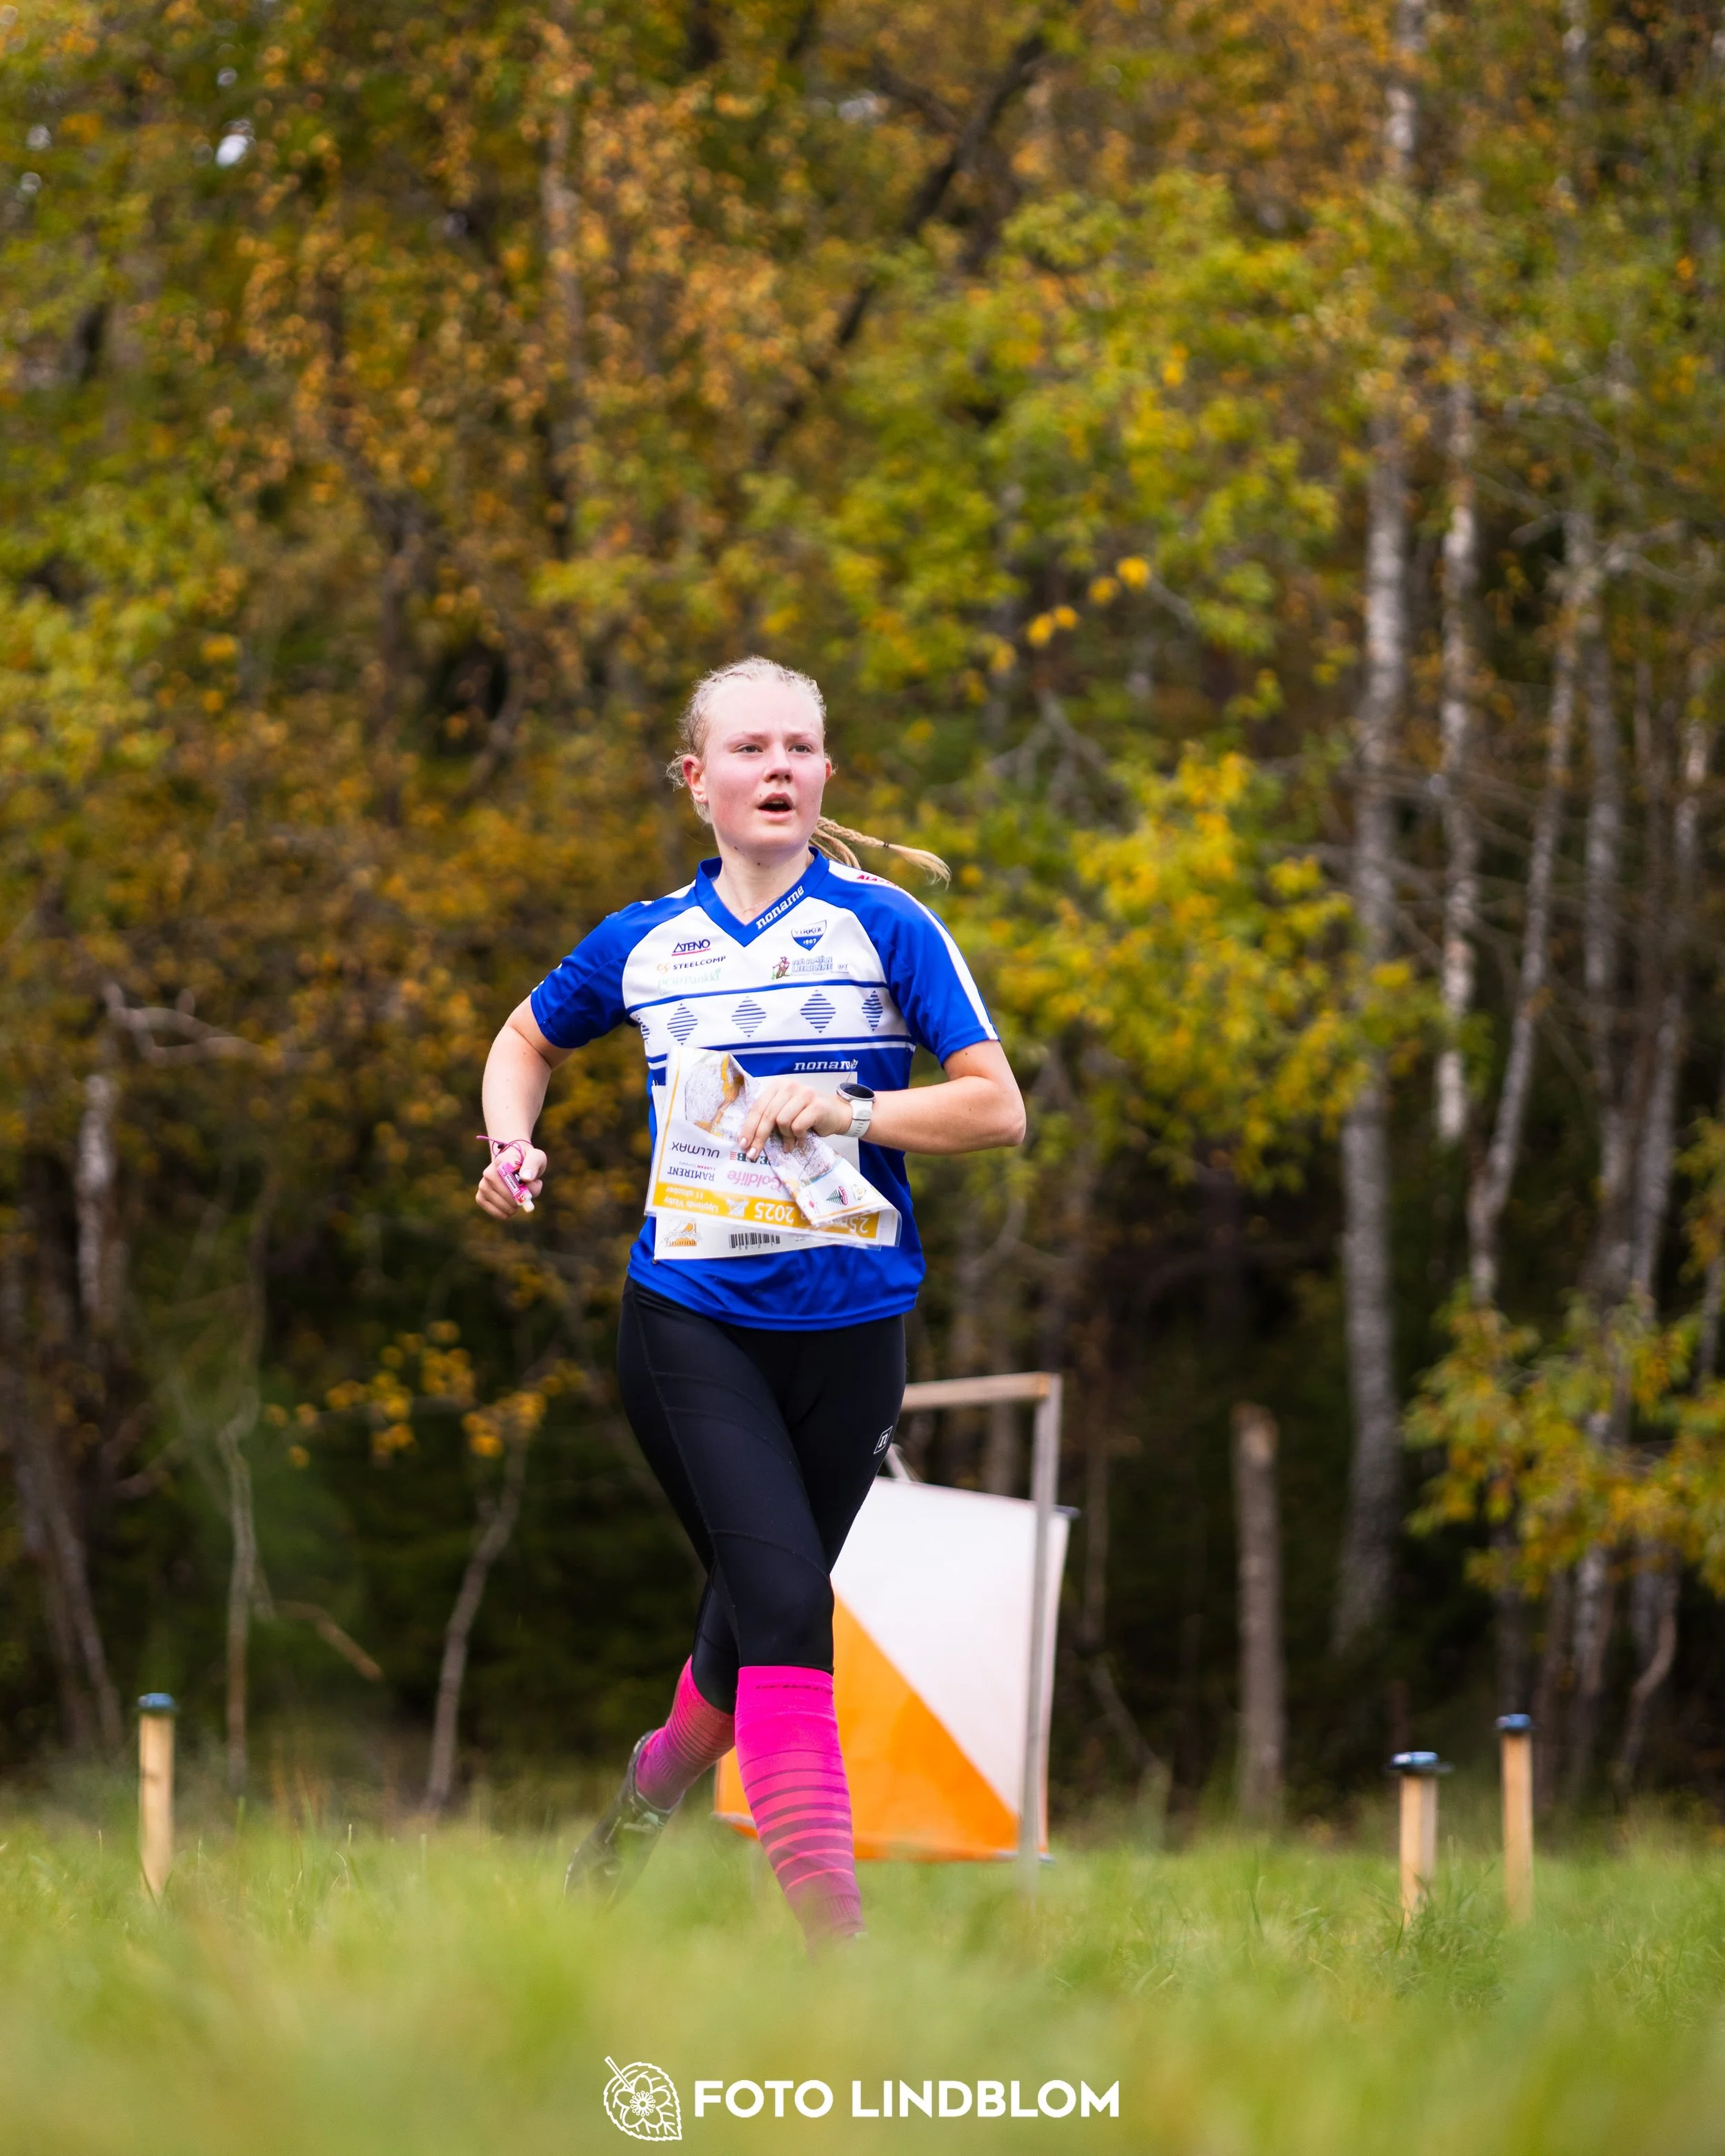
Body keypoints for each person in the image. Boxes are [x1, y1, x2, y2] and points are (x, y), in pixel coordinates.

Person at [475, 655, 1025, 1952]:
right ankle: (838, 1955)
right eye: (748, 750)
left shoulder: (887, 926)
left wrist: (855, 1108)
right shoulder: (645, 941)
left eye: (800, 749)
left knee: (747, 1622)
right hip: (692, 1325)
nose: (776, 769)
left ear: (827, 773)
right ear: (696, 780)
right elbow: (525, 1042)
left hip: (855, 1331)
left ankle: (640, 1809)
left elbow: (997, 1108)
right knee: (787, 1610)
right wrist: (510, 1147)